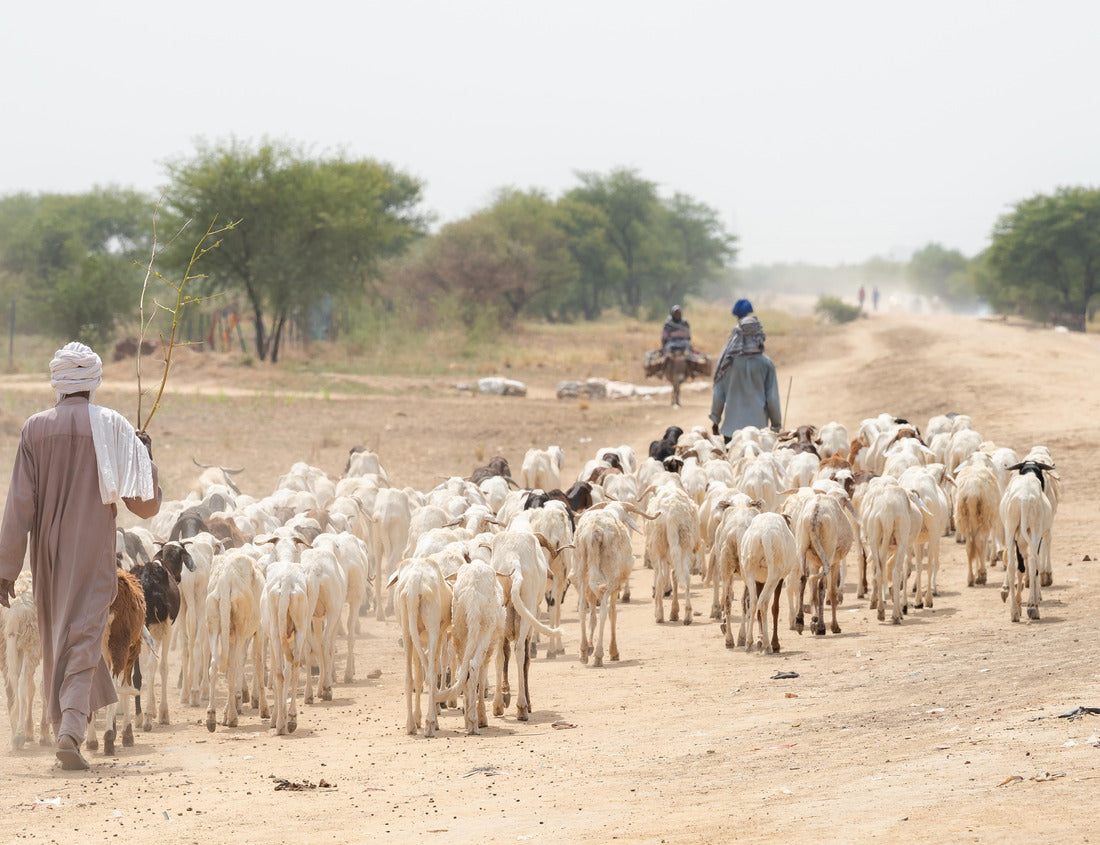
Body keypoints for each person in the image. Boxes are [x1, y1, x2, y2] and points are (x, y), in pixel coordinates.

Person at [0, 342, 161, 770]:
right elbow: (145, 505)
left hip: (48, 554)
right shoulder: (113, 427)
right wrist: (145, 457)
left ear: (58, 384)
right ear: (93, 383)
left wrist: (5, 569)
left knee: (60, 638)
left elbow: (19, 503)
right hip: (93, 551)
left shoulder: (35, 428)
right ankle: (71, 730)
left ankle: (68, 726)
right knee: (85, 635)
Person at [709, 299, 782, 438]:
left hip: (731, 432)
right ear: (759, 336)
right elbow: (772, 398)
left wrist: (715, 420)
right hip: (759, 433)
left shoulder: (727, 361)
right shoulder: (766, 363)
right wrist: (776, 425)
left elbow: (718, 393)